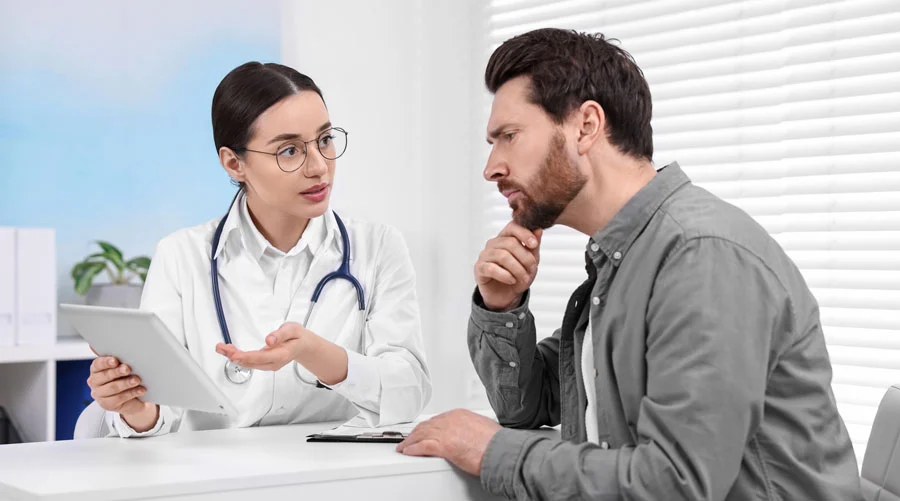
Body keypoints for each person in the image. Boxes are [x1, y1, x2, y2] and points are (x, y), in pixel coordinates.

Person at [397, 28, 862, 500]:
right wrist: (502, 306)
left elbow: (676, 485)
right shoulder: (624, 260)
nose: (492, 166)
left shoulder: (699, 256)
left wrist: (493, 450)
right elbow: (528, 408)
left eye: (508, 137)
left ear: (585, 126)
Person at [86, 62, 431, 437]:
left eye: (325, 140)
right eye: (289, 151)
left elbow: (409, 392)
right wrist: (135, 406)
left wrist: (316, 353)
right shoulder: (181, 257)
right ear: (234, 163)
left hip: (334, 476)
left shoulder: (378, 248)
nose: (319, 167)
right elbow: (159, 414)